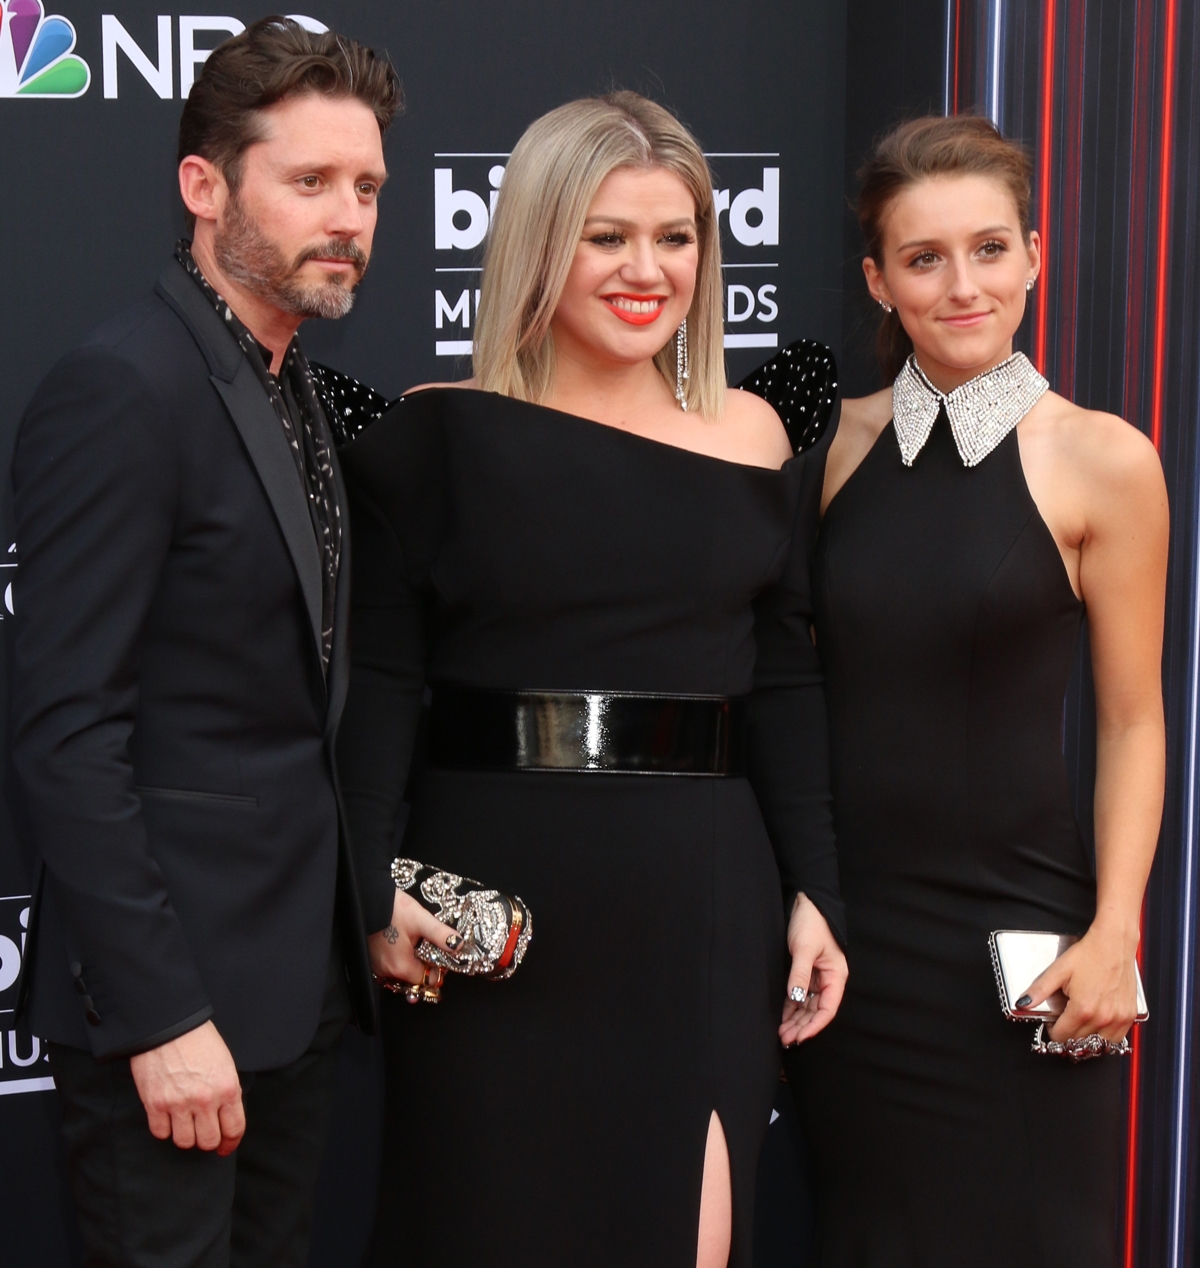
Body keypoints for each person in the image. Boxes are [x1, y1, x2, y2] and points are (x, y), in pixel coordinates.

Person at [332, 91, 848, 1268]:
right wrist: (368, 889)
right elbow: (380, 681)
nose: (646, 269)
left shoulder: (755, 436)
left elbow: (782, 686)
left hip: (701, 902)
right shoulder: (438, 432)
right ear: (538, 240)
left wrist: (818, 886)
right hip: (495, 906)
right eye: (608, 235)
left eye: (676, 238)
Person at [6, 19, 399, 1266]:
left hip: (291, 999)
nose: (348, 214)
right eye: (311, 181)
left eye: (369, 187)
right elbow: (67, 732)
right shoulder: (126, 386)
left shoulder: (284, 384)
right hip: (173, 1017)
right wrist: (161, 1013)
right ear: (205, 186)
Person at [786, 114, 1167, 1266]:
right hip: (849, 951)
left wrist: (1115, 929)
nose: (963, 285)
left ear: (1036, 256)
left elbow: (1136, 718)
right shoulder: (829, 451)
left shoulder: (1102, 457)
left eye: (991, 249)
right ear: (878, 279)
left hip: (1030, 952)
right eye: (924, 257)